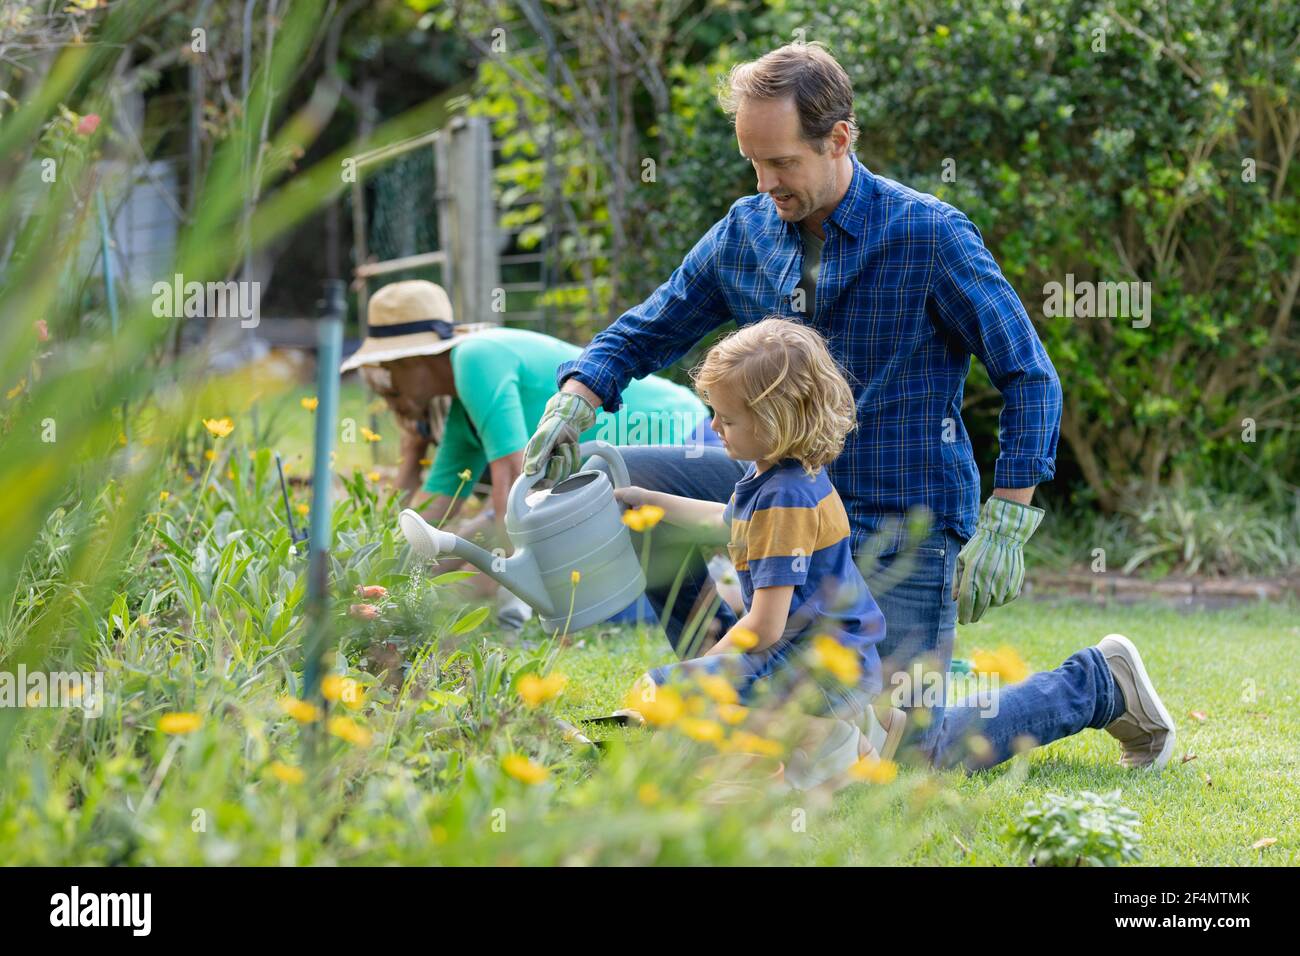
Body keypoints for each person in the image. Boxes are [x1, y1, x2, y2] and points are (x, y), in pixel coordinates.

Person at [522, 44, 1176, 770]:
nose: (766, 182)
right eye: (754, 164)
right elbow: (649, 326)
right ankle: (734, 691)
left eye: (782, 163)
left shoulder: (928, 236)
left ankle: (1097, 684)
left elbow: (1028, 374)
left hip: (901, 513)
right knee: (625, 488)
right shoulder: (745, 233)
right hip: (778, 488)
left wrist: (1010, 516)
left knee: (902, 750)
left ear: (839, 139)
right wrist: (577, 398)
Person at [614, 319, 905, 790]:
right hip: (834, 659)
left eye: (726, 420)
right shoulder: (780, 476)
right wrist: (650, 498)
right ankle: (862, 730)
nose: (713, 426)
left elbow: (764, 627)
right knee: (673, 692)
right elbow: (723, 520)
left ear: (774, 421)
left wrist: (700, 671)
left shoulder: (782, 499)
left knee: (668, 694)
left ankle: (831, 742)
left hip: (818, 670)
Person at [341, 279, 717, 627]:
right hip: (614, 470)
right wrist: (386, 568)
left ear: (415, 361)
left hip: (675, 434)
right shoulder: (461, 411)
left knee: (597, 603)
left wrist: (516, 588)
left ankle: (729, 590)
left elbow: (512, 482)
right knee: (583, 588)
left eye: (393, 371)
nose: (392, 385)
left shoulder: (475, 357)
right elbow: (437, 502)